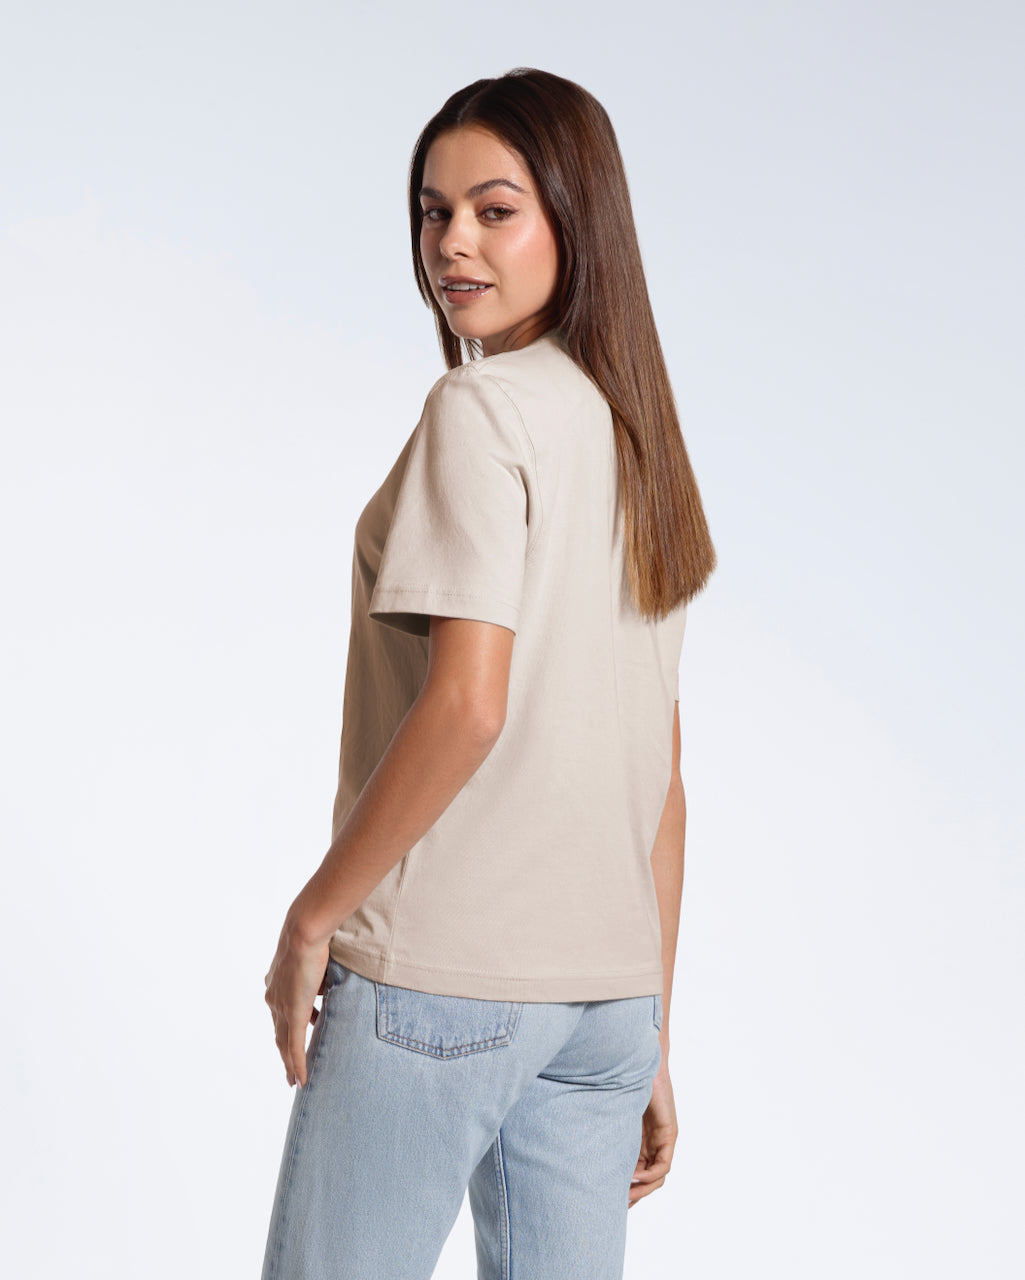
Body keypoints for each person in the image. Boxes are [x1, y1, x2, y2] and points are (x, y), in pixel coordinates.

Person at [260, 67, 717, 1280]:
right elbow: (661, 780)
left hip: (442, 978)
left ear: (576, 217)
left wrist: (316, 916)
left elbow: (466, 701)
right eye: (431, 210)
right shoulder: (641, 446)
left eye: (493, 208)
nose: (451, 241)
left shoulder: (482, 410)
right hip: (604, 1001)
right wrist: (652, 1021)